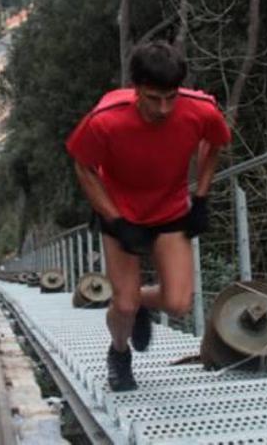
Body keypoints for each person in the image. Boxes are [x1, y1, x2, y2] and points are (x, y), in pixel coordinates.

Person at [65, 41, 232, 391]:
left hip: (170, 211)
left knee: (178, 304)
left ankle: (140, 300)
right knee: (123, 305)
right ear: (136, 89)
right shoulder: (105, 119)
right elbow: (83, 166)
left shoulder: (200, 110)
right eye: (154, 98)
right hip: (121, 213)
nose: (164, 108)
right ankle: (119, 352)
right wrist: (114, 219)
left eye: (171, 97)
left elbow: (215, 142)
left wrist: (201, 197)